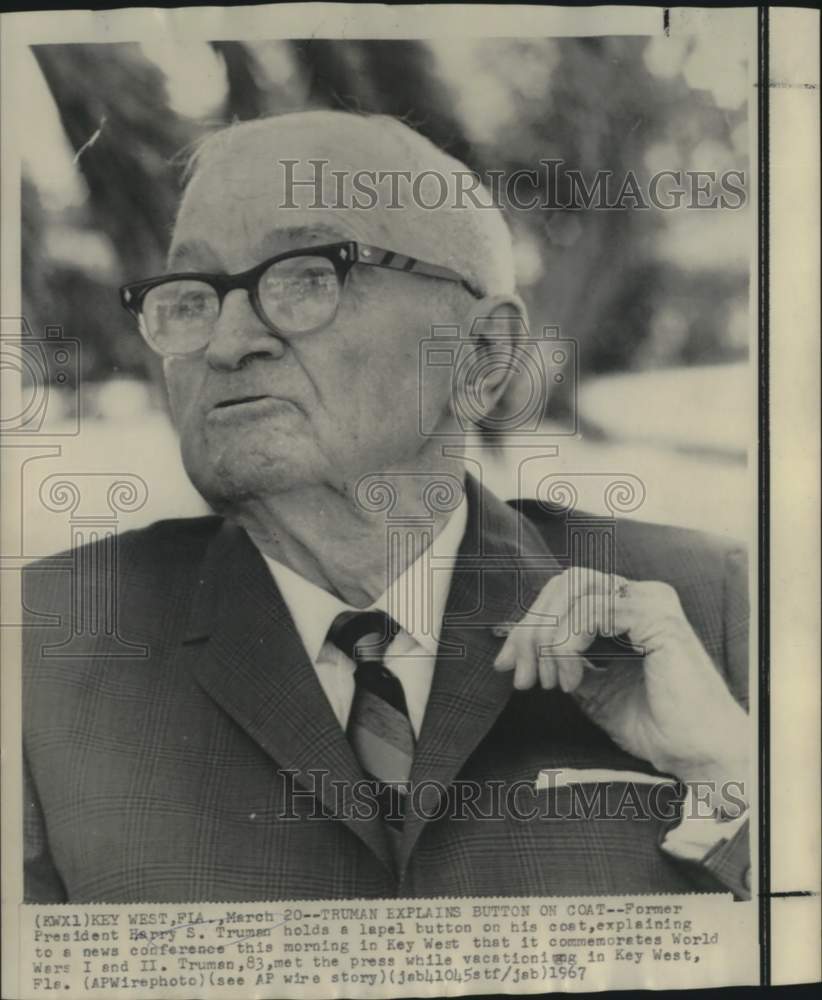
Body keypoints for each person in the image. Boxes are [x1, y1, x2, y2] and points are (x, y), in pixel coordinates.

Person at [23, 111, 750, 903]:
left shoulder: (713, 610)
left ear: (481, 354)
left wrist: (735, 782)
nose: (228, 343)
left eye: (307, 275)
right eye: (191, 297)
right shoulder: (45, 644)